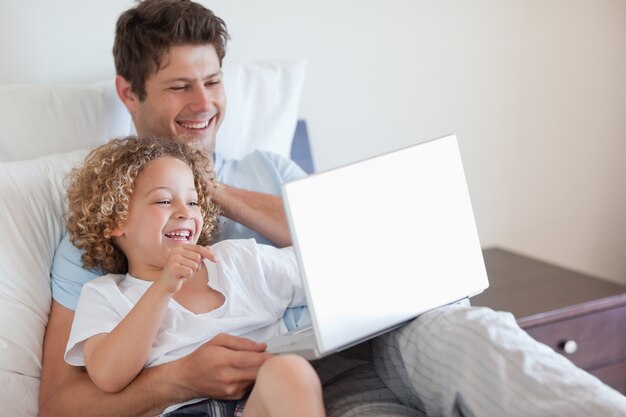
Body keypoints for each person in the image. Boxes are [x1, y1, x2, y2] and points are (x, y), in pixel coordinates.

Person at [39, 1, 626, 416]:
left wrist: (211, 188)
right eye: (178, 87)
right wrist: (176, 380)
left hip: (387, 336)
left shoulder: (271, 170)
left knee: (478, 334)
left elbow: (359, 253)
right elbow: (61, 403)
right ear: (129, 92)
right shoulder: (106, 219)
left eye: (213, 81)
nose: (203, 104)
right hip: (294, 383)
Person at [63, 136, 324, 417]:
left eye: (193, 201)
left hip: (261, 399)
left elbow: (326, 268)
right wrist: (163, 287)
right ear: (115, 220)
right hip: (181, 410)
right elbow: (108, 375)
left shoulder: (237, 260)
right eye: (164, 200)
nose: (184, 212)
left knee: (290, 372)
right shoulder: (105, 294)